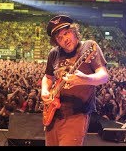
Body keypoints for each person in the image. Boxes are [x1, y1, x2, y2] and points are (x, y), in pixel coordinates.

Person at [41, 15, 109, 146]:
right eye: (59, 38)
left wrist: (84, 79)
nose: (65, 39)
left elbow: (104, 76)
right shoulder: (54, 53)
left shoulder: (88, 47)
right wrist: (44, 90)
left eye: (66, 33)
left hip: (76, 113)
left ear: (74, 31)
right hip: (53, 114)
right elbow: (48, 77)